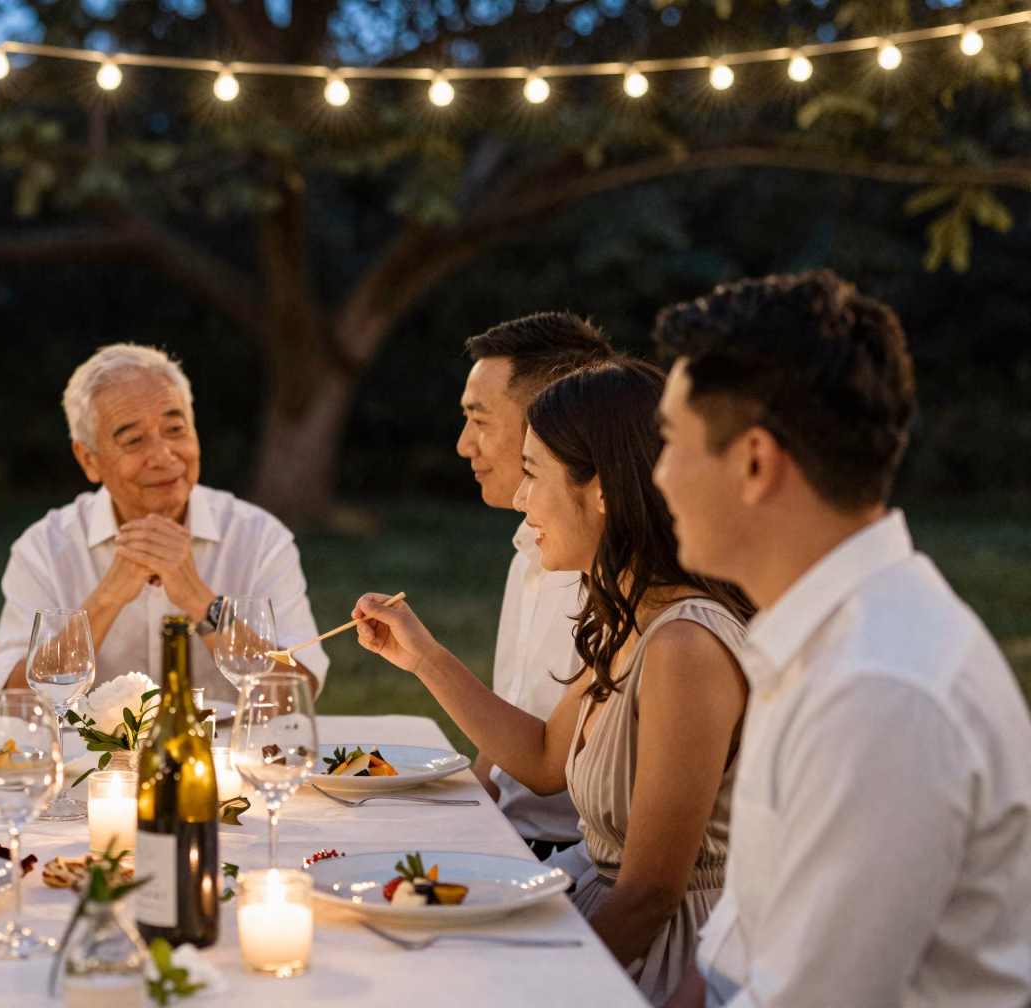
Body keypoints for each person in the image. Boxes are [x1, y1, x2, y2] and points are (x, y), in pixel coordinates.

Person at [649, 271, 1031, 1008]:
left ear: (755, 462)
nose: (658, 475)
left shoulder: (879, 691)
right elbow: (736, 953)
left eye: (670, 440)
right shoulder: (814, 641)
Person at [354, 358, 754, 1005]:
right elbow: (543, 759)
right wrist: (423, 658)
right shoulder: (631, 616)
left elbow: (651, 896)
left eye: (533, 474)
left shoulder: (685, 646)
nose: (519, 498)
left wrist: (532, 980)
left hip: (658, 959)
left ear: (602, 490)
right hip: (591, 910)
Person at [0, 342, 326, 706]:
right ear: (88, 460)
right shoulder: (44, 549)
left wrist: (200, 600)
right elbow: (15, 702)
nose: (163, 456)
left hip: (225, 758)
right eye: (133, 440)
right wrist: (105, 599)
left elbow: (296, 695)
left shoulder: (259, 538)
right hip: (85, 760)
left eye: (176, 429)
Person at [458, 313, 612, 870]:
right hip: (504, 837)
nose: (462, 445)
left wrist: (424, 657)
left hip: (566, 859)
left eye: (479, 420)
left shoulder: (617, 585)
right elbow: (507, 726)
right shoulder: (531, 544)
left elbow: (547, 765)